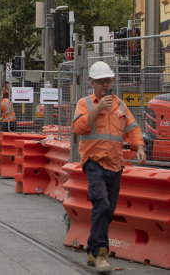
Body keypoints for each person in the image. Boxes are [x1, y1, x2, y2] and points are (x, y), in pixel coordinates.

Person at [72, 61, 146, 273]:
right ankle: (102, 253)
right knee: (102, 203)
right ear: (92, 82)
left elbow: (133, 129)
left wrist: (138, 147)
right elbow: (78, 128)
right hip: (94, 161)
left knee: (107, 209)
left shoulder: (120, 105)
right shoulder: (85, 103)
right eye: (101, 81)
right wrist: (97, 109)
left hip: (115, 164)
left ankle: (91, 250)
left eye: (108, 80)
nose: (106, 84)